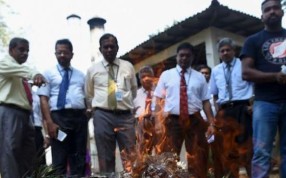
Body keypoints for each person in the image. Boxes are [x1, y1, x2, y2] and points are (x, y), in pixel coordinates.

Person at [153, 42, 215, 178]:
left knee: (197, 157)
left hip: (195, 120)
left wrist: (211, 122)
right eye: (181, 55)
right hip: (172, 121)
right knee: (169, 157)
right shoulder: (166, 75)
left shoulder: (199, 77)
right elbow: (157, 99)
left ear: (192, 57)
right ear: (177, 57)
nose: (184, 58)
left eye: (188, 56)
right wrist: (158, 122)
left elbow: (206, 102)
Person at [240, 0, 286, 177]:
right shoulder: (253, 41)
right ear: (262, 17)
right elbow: (246, 72)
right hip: (265, 103)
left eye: (275, 8)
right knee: (261, 152)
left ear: (282, 12)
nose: (272, 12)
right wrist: (274, 77)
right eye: (267, 10)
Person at [85, 33, 138, 174]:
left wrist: (123, 104)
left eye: (112, 47)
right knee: (105, 155)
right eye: (105, 47)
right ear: (100, 49)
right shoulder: (92, 70)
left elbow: (133, 90)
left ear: (117, 48)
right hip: (103, 115)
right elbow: (89, 94)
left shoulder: (128, 66)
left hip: (125, 117)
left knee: (130, 155)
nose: (109, 50)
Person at [37, 39, 88, 177]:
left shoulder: (81, 75)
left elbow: (86, 96)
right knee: (59, 158)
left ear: (72, 54)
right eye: (59, 52)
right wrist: (49, 123)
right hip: (59, 118)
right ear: (55, 54)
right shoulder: (47, 74)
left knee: (79, 157)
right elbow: (43, 99)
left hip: (79, 118)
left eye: (65, 52)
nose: (62, 55)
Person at [0, 37, 46, 178]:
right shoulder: (4, 63)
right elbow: (26, 70)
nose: (25, 53)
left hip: (25, 115)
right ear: (11, 50)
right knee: (10, 153)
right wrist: (36, 74)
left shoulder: (19, 74)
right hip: (9, 111)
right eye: (21, 49)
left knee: (28, 154)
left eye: (27, 51)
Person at [209, 37, 253, 177]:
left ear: (234, 51)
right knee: (228, 148)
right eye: (222, 51)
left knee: (246, 146)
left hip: (243, 109)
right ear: (219, 53)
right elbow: (215, 94)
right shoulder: (216, 70)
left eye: (228, 50)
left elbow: (254, 86)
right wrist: (218, 111)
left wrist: (253, 105)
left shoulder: (243, 66)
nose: (225, 52)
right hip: (225, 111)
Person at [133, 65, 157, 155]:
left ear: (153, 77)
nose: (146, 79)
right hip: (142, 128)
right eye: (143, 77)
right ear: (139, 79)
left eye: (149, 76)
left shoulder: (160, 93)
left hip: (158, 126)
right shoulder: (135, 95)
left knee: (160, 152)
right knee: (144, 154)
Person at [31, 88, 49, 166]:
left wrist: (46, 135)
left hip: (36, 129)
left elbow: (43, 117)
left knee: (40, 161)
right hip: (22, 128)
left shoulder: (36, 96)